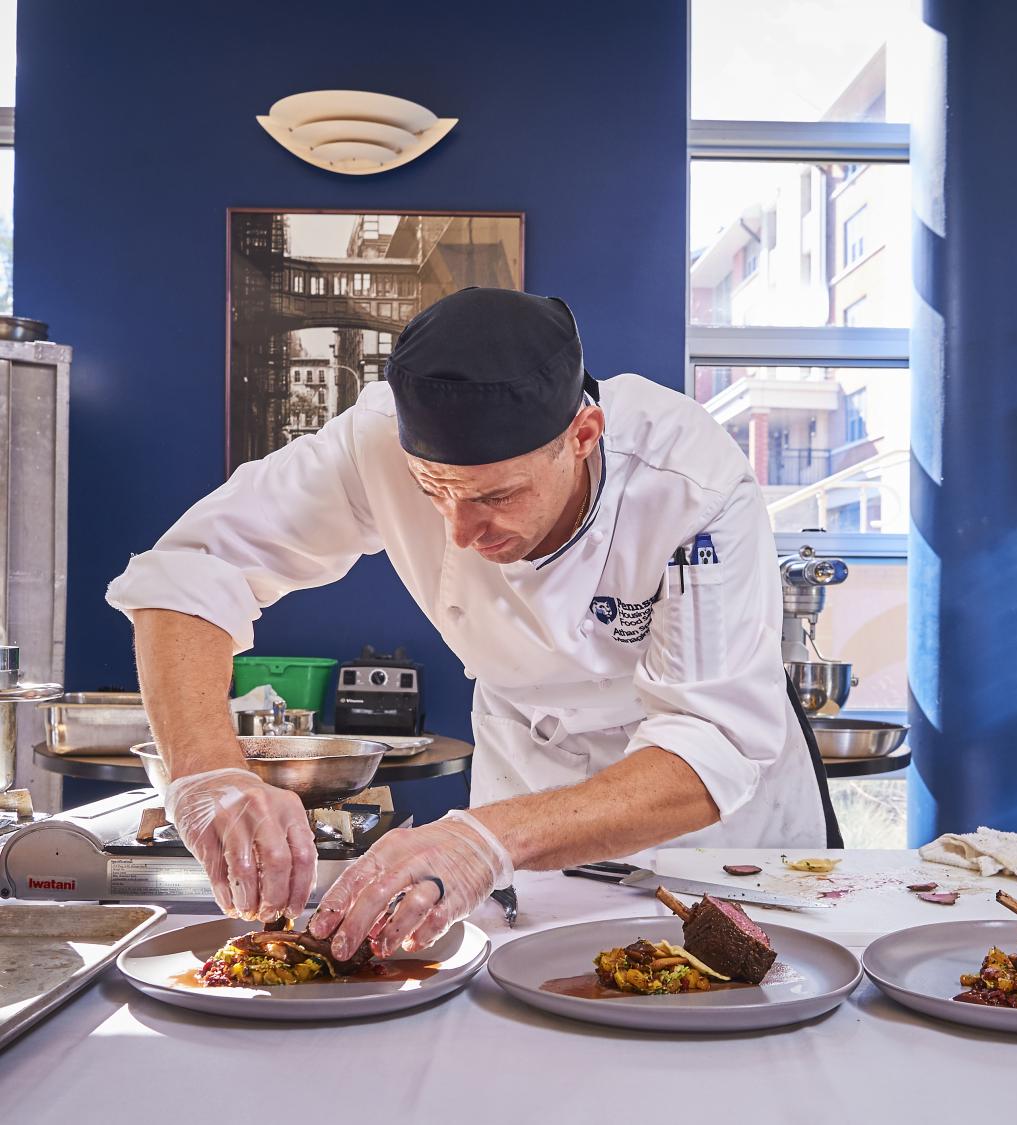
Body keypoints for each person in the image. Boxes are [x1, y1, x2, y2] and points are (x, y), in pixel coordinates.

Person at [107, 288, 838, 963]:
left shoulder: (690, 483)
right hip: (528, 774)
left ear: (583, 433)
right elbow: (193, 569)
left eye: (496, 494)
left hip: (707, 816)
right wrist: (207, 771)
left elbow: (712, 739)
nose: (459, 532)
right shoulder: (371, 443)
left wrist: (486, 836)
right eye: (434, 492)